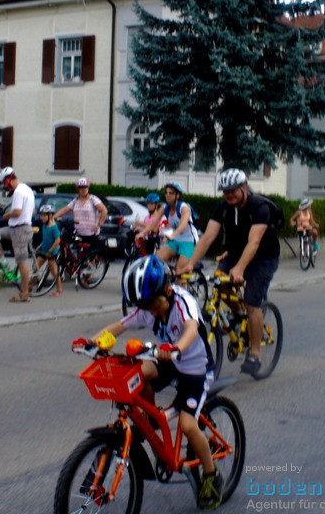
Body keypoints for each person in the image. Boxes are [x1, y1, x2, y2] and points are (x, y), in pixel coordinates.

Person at [84, 256, 222, 509]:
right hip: (169, 359)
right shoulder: (147, 309)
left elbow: (191, 328)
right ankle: (150, 420)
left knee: (188, 425)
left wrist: (177, 348)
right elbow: (120, 326)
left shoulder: (182, 304)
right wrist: (92, 342)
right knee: (137, 372)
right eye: (143, 306)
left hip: (195, 368)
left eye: (152, 304)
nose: (149, 311)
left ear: (167, 292)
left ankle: (212, 476)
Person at [180, 168, 280, 377]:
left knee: (253, 302)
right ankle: (238, 316)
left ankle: (254, 353)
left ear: (244, 188)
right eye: (225, 192)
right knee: (219, 281)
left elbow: (254, 242)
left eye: (232, 191)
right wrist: (190, 264)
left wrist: (240, 268)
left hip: (264, 256)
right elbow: (207, 237)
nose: (228, 195)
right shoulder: (224, 207)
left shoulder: (259, 207)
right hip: (236, 252)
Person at [52, 177, 107, 278]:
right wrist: (54, 217)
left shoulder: (93, 199)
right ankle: (72, 269)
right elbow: (65, 209)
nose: (83, 189)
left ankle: (89, 275)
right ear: (78, 189)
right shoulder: (75, 201)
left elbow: (104, 210)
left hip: (91, 233)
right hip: (78, 231)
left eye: (85, 187)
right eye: (81, 187)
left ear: (88, 188)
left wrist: (99, 224)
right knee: (74, 251)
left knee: (89, 255)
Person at [0, 167, 36, 302]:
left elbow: (17, 212)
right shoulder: (27, 189)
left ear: (8, 180)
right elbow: (32, 210)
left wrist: (7, 215)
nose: (6, 188)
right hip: (17, 228)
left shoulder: (18, 192)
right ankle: (3, 263)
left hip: (20, 229)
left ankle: (24, 294)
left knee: (21, 262)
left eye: (4, 184)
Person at [142, 181, 196, 272]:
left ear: (177, 195)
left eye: (171, 193)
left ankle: (181, 283)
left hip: (188, 241)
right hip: (175, 239)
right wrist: (141, 233)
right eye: (166, 192)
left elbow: (183, 225)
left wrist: (171, 235)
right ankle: (167, 283)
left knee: (179, 270)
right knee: (157, 260)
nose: (167, 195)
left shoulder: (184, 208)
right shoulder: (165, 207)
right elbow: (153, 223)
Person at [36, 204, 62, 297]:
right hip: (44, 251)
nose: (41, 217)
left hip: (51, 253)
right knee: (35, 267)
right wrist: (40, 245)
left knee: (54, 272)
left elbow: (57, 241)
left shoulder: (54, 227)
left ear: (50, 216)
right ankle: (29, 285)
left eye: (44, 215)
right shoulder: (44, 226)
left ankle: (59, 290)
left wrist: (50, 251)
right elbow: (46, 238)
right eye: (41, 215)